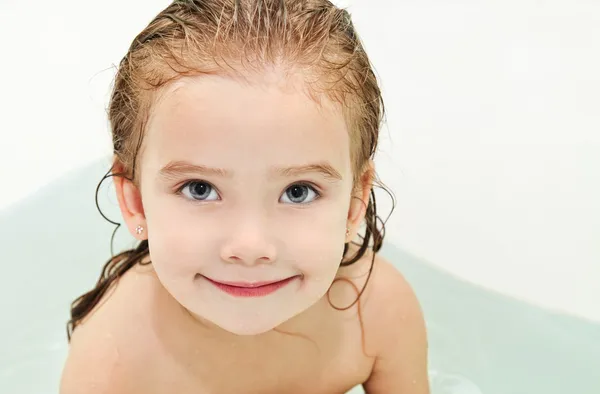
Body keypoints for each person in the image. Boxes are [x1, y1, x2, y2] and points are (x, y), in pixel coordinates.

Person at [60, 1, 429, 393]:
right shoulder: (115, 353)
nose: (250, 246)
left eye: (298, 192)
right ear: (135, 202)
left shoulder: (375, 312)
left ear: (355, 204)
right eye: (199, 189)